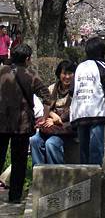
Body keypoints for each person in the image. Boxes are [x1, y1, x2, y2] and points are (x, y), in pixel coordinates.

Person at [0, 44, 51, 204]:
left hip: (1, 122)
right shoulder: (31, 74)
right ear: (28, 58)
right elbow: (47, 97)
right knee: (19, 161)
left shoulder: (1, 71)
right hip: (22, 124)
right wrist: (45, 116)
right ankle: (15, 196)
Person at [70, 37, 105, 166]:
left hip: (80, 113)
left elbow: (72, 90)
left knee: (84, 150)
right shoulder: (104, 67)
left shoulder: (80, 67)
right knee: (96, 151)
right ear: (103, 51)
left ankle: (84, 178)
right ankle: (95, 179)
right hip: (97, 113)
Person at [30, 60, 77, 166]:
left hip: (66, 128)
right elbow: (45, 106)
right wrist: (52, 116)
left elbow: (74, 111)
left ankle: (55, 173)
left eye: (70, 73)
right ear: (59, 74)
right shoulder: (52, 88)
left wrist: (57, 120)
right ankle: (39, 172)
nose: (67, 77)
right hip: (50, 125)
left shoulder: (76, 90)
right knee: (34, 140)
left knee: (51, 143)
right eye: (64, 73)